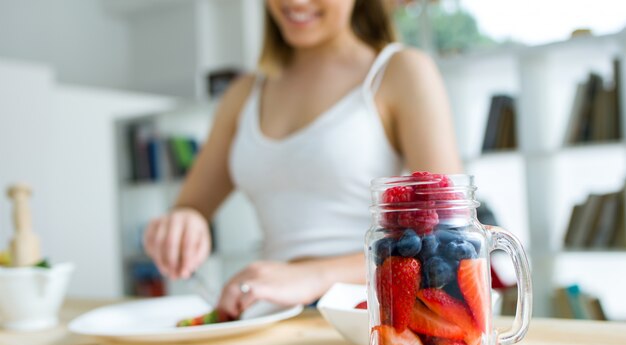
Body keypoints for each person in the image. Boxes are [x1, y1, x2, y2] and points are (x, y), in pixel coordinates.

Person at [143, 0, 462, 320]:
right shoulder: (243, 94)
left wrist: (314, 276)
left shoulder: (400, 71)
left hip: (366, 320)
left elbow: (449, 237)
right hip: (270, 317)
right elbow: (191, 207)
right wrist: (183, 223)